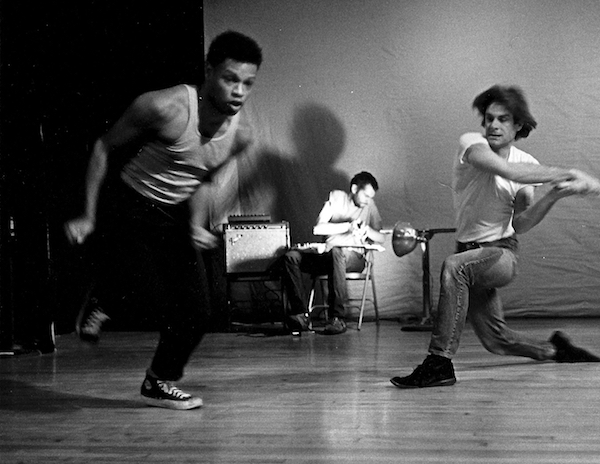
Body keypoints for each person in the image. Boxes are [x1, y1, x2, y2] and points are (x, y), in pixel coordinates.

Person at [64, 30, 263, 409]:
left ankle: (159, 381)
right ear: (209, 70)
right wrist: (88, 215)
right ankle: (103, 298)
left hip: (173, 214)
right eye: (230, 78)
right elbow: (103, 147)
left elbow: (201, 177)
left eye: (247, 83)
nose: (239, 91)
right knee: (146, 290)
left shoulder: (241, 136)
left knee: (198, 312)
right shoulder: (165, 107)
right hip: (130, 203)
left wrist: (196, 225)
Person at [391, 85, 600, 389]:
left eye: (503, 119)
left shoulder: (529, 163)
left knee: (454, 266)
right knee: (496, 340)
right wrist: (569, 173)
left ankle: (438, 363)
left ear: (518, 125)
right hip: (470, 254)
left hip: (501, 254)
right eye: (490, 118)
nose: (493, 125)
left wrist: (555, 195)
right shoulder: (472, 144)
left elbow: (522, 222)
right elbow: (508, 171)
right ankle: (555, 348)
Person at [282, 172, 385, 335]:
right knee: (291, 257)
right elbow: (318, 228)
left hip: (354, 258)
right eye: (365, 195)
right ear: (354, 188)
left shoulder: (370, 206)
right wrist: (348, 226)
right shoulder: (336, 197)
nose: (367, 201)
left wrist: (367, 230)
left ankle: (337, 318)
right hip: (328, 256)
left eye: (370, 197)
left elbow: (381, 237)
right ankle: (301, 314)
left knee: (337, 252)